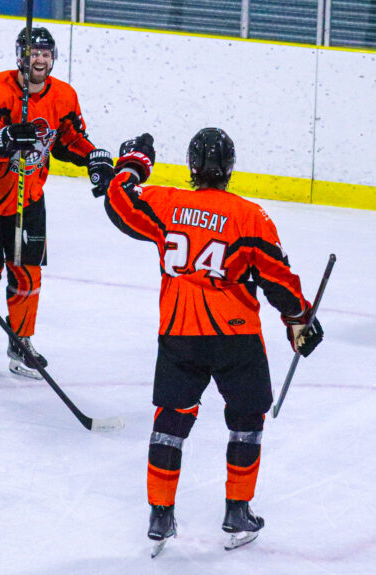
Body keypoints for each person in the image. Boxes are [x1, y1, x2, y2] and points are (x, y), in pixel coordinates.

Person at [100, 130, 323, 553]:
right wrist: (299, 319)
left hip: (179, 331)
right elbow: (279, 279)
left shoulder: (166, 204)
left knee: (172, 421)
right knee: (246, 419)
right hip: (235, 335)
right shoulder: (251, 216)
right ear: (231, 167)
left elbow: (119, 200)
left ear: (192, 167)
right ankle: (237, 510)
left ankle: (160, 514)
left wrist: (134, 162)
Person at [0, 26, 115, 378]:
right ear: (19, 57)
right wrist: (5, 139)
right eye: (32, 52)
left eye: (45, 52)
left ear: (53, 58)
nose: (39, 58)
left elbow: (69, 139)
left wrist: (94, 157)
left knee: (28, 272)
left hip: (27, 196)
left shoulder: (64, 95)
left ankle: (21, 340)